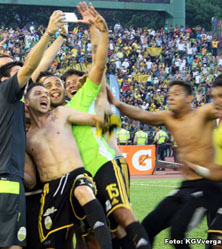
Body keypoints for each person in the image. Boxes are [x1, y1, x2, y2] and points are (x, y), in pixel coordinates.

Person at [66, 3, 151, 249]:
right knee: (105, 229)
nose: (73, 85)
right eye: (68, 83)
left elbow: (98, 62)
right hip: (93, 170)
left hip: (113, 161)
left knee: (119, 222)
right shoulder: (70, 110)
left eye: (76, 81)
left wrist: (96, 29)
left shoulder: (97, 97)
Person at [0, 10, 64, 249]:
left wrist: (61, 39)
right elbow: (30, 67)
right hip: (5, 181)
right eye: (18, 74)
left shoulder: (4, 104)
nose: (26, 80)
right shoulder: (7, 93)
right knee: (14, 246)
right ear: (4, 80)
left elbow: (38, 66)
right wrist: (48, 32)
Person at [107, 80, 222, 249]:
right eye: (169, 95)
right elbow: (140, 114)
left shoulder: (203, 113)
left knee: (177, 232)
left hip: (207, 187)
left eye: (176, 94)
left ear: (190, 98)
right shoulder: (168, 118)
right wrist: (116, 102)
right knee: (148, 225)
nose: (170, 98)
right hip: (186, 186)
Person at [25, 83, 114, 249]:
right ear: (27, 102)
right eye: (38, 93)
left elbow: (98, 120)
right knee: (52, 243)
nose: (45, 96)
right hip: (51, 189)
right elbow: (30, 179)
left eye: (46, 93)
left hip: (75, 175)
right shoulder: (27, 137)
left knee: (83, 192)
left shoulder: (60, 113)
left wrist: (113, 141)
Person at [183, 74, 222, 248]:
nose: (216, 102)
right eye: (213, 97)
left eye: (221, 96)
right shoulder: (220, 127)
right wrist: (197, 168)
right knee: (216, 238)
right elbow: (221, 169)